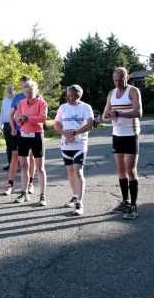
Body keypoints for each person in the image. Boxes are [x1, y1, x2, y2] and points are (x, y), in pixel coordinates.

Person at [102, 67, 143, 220]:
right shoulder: (111, 93)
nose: (118, 83)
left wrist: (119, 113)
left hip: (131, 135)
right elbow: (106, 115)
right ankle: (125, 202)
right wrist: (107, 115)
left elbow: (139, 113)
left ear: (127, 77)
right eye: (115, 80)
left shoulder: (133, 91)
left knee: (131, 170)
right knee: (120, 169)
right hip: (117, 135)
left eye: (121, 80)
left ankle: (133, 206)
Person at [54, 85, 94, 215]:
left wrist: (75, 133)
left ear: (79, 95)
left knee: (78, 171)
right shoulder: (63, 107)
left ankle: (79, 203)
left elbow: (90, 124)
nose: (70, 98)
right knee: (70, 172)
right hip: (66, 145)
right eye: (68, 95)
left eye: (73, 96)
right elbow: (56, 124)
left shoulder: (86, 107)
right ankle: (75, 195)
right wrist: (64, 133)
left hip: (79, 145)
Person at [13, 80, 48, 205]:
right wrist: (19, 121)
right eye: (26, 92)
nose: (28, 94)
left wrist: (28, 118)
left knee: (40, 168)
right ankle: (24, 193)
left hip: (37, 136)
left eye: (30, 92)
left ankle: (42, 195)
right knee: (23, 166)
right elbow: (17, 118)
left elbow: (43, 118)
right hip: (23, 136)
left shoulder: (42, 103)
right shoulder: (21, 103)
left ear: (36, 91)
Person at [3, 76, 36, 196]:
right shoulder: (17, 97)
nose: (25, 87)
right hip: (18, 132)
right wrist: (12, 128)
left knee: (31, 158)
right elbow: (11, 115)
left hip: (32, 132)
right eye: (23, 85)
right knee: (15, 157)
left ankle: (30, 183)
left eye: (27, 85)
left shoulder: (37, 97)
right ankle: (10, 184)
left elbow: (41, 116)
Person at [0, 84, 15, 171]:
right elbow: (2, 112)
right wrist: (0, 124)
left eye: (10, 89)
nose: (9, 90)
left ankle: (19, 164)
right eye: (8, 89)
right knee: (8, 146)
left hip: (15, 124)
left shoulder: (16, 99)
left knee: (16, 145)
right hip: (6, 125)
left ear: (13, 89)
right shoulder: (4, 99)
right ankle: (10, 164)